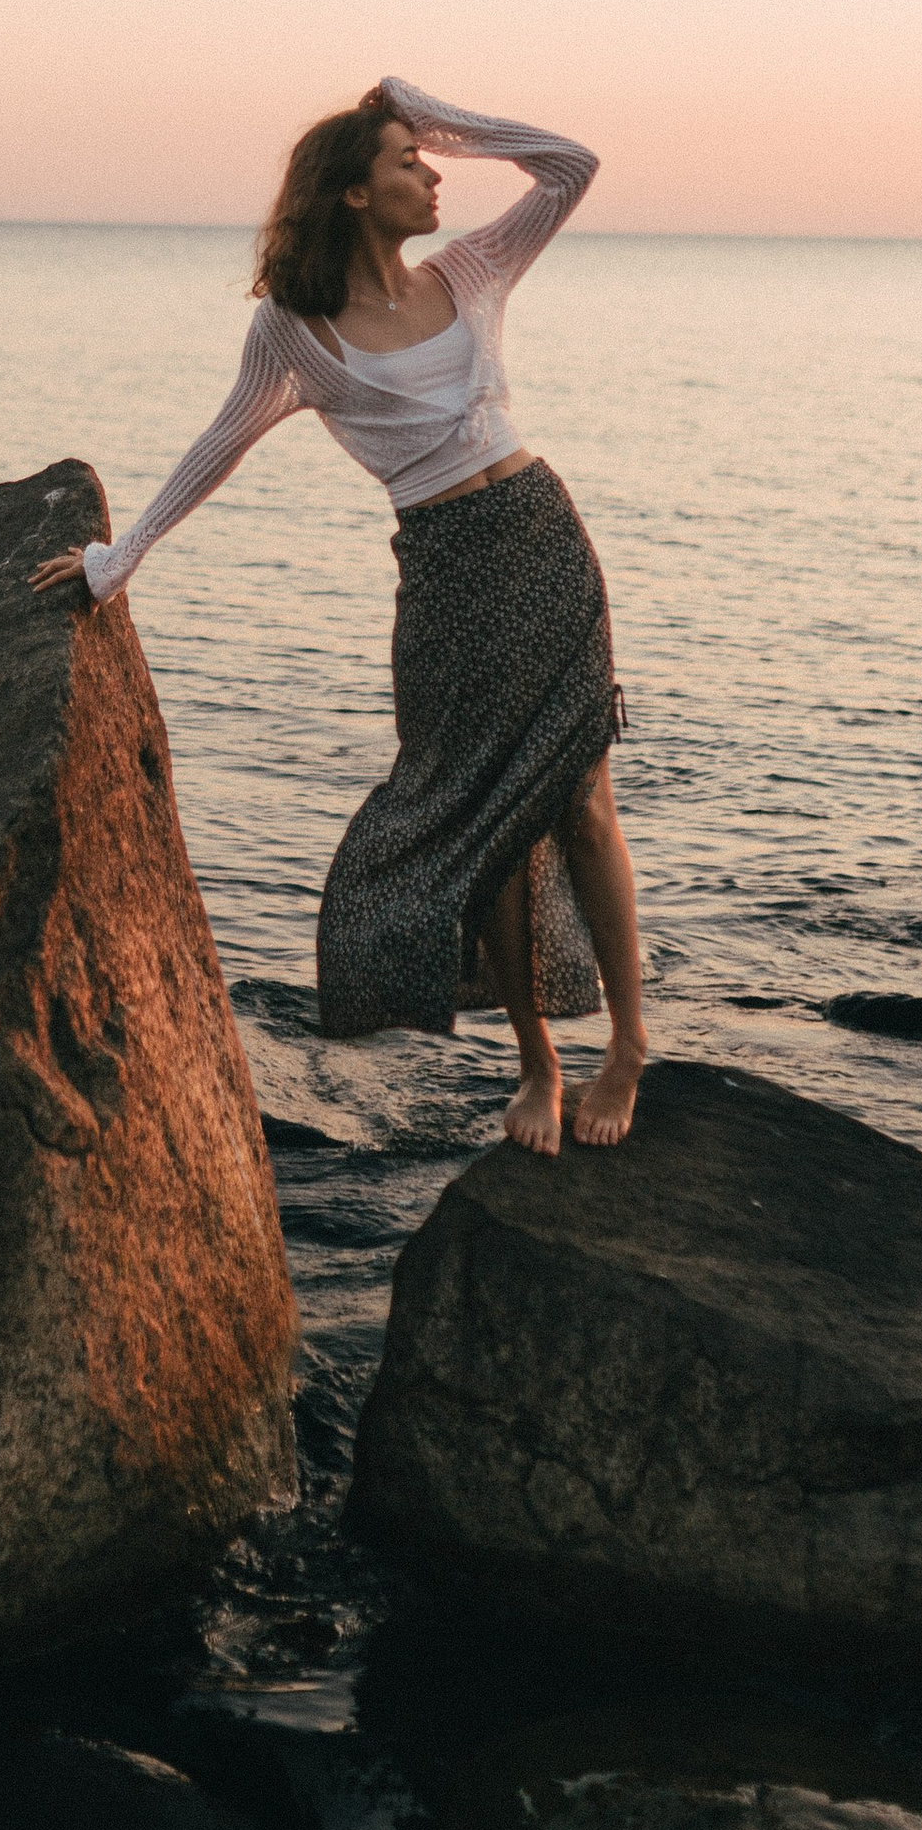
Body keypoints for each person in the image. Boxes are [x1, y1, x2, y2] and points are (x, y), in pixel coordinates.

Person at [32, 80, 649, 1150]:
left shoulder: (474, 267)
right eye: (410, 160)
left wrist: (428, 110)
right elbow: (220, 443)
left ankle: (629, 1049)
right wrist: (116, 558)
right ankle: (539, 1068)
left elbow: (570, 166)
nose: (434, 173)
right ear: (354, 191)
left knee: (584, 801)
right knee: (485, 828)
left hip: (542, 540)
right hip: (446, 575)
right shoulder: (297, 334)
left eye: (429, 156)